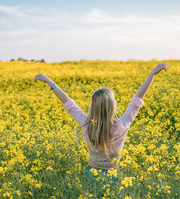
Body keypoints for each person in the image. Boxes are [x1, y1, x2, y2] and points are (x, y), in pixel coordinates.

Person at [33, 63, 169, 190]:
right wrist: (152, 74)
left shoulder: (86, 124)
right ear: (112, 106)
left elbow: (68, 103)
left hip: (90, 175)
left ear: (93, 106)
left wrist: (49, 82)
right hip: (112, 178)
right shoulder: (122, 125)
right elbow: (137, 100)